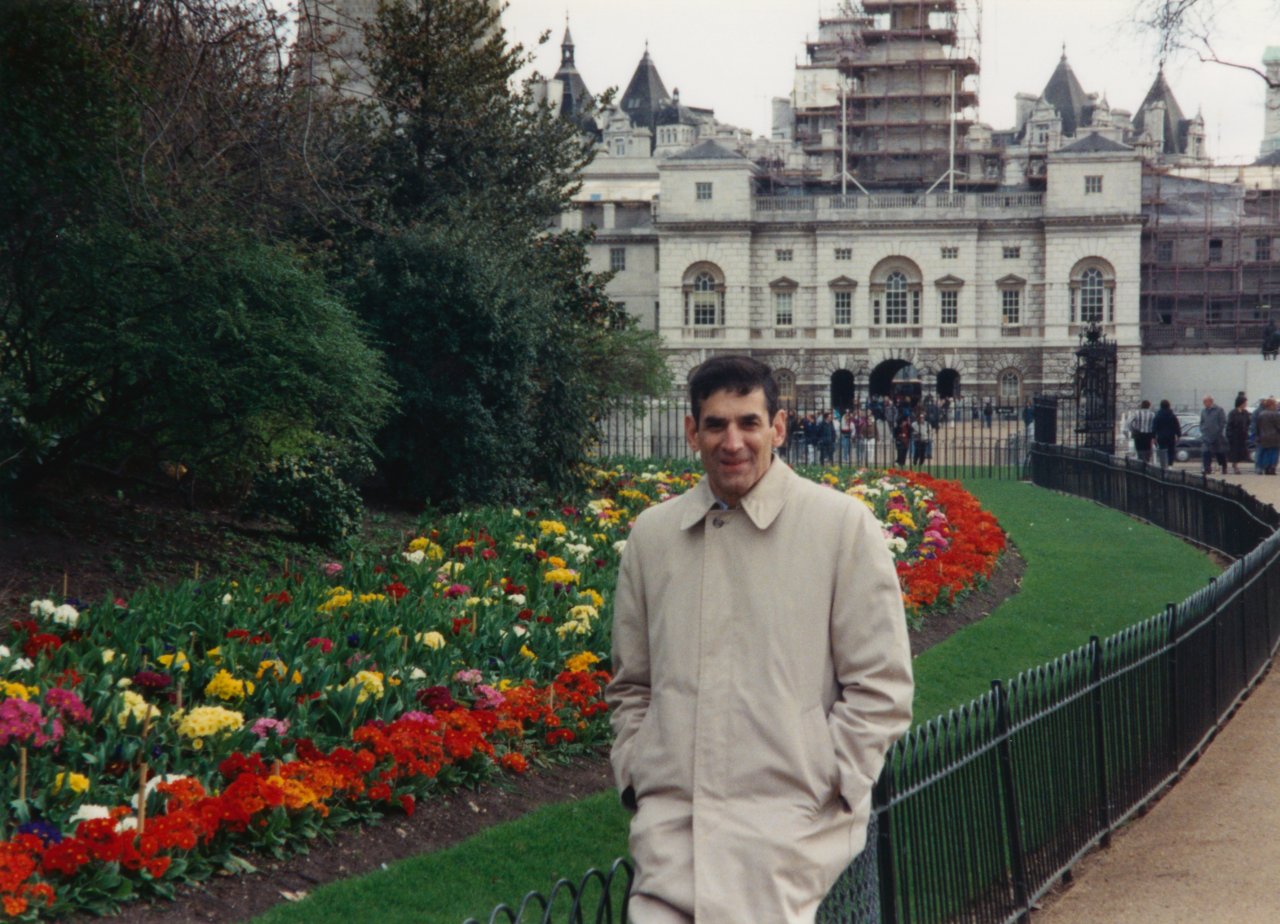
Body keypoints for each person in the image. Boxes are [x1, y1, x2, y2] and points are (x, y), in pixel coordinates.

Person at [608, 356, 914, 924]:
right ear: (691, 431)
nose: (733, 441)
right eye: (717, 424)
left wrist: (830, 784)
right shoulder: (652, 535)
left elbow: (881, 688)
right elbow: (631, 684)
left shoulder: (841, 526)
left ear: (778, 427)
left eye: (749, 422)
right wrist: (639, 774)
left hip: (790, 836)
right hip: (672, 837)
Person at [1199, 395, 1228, 476]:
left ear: (1211, 401)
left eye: (1205, 401)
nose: (1204, 403)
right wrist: (1202, 430)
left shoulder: (1219, 410)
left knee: (1219, 453)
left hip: (1217, 436)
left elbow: (1222, 422)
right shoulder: (1203, 411)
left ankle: (1223, 467)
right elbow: (1202, 422)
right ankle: (1206, 468)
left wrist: (1218, 431)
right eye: (1203, 402)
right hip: (1206, 436)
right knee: (1205, 452)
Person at [1152, 399, 1181, 470]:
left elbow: (1154, 427)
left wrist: (1153, 437)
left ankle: (1163, 465)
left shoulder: (1158, 416)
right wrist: (1178, 435)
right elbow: (1176, 426)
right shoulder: (1172, 415)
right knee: (1171, 450)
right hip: (1171, 436)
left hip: (1161, 436)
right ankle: (1170, 465)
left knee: (1162, 450)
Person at [1226, 395, 1252, 475]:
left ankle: (1237, 463)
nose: (1245, 404)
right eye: (1244, 402)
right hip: (1234, 435)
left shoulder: (1245, 413)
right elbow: (1229, 425)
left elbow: (1248, 423)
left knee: (1242, 451)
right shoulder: (1233, 413)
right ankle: (1235, 466)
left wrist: (1246, 431)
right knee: (1235, 452)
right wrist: (1229, 435)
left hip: (1242, 435)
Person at [1256, 397, 1280, 475]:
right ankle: (1271, 468)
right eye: (1275, 404)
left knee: (1265, 453)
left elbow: (1258, 426)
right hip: (1274, 437)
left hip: (1263, 437)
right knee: (1274, 453)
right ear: (1272, 405)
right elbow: (1278, 426)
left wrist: (1258, 435)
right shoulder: (1276, 414)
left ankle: (1264, 468)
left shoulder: (1261, 414)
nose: (1277, 406)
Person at [1128, 399, 1156, 464]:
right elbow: (1154, 425)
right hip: (1148, 435)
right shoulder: (1152, 414)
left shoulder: (1136, 413)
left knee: (1140, 451)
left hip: (1138, 434)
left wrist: (1133, 429)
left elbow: (1129, 423)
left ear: (1141, 406)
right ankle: (1146, 465)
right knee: (1147, 451)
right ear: (1149, 406)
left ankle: (1140, 465)